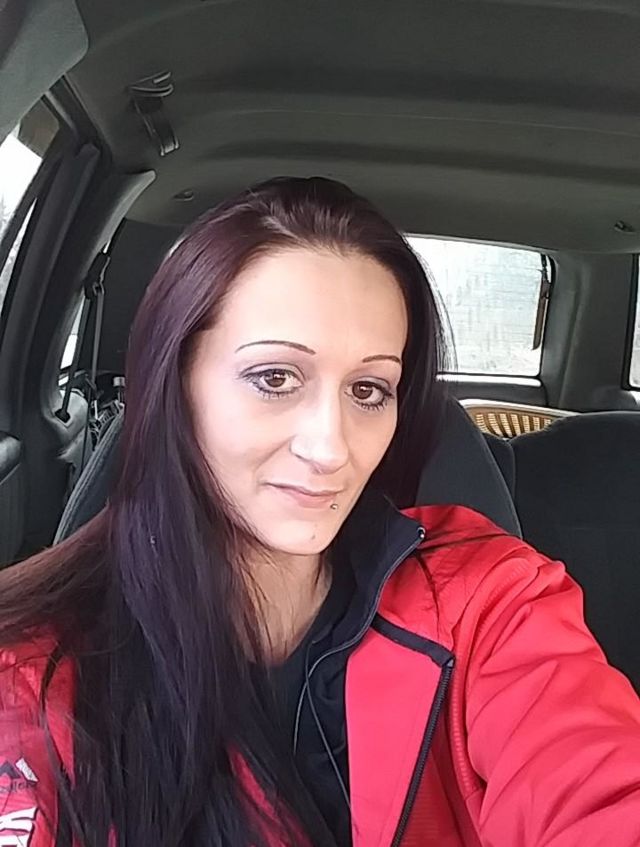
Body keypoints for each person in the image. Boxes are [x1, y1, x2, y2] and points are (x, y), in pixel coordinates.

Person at [0, 177, 638, 847]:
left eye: (368, 389)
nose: (331, 447)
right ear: (175, 384)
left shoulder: (488, 597)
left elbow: (598, 786)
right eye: (274, 378)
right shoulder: (32, 670)